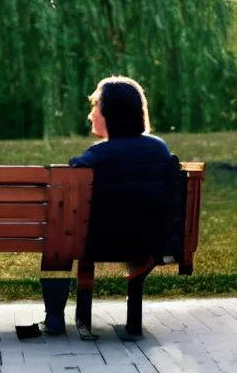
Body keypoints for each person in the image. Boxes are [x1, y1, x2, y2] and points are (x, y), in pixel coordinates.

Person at [40, 76, 174, 338]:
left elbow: (73, 169)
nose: (91, 115)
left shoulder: (97, 155)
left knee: (59, 243)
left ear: (110, 113)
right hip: (151, 243)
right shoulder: (160, 149)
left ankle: (54, 317)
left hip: (96, 244)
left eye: (95, 108)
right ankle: (132, 320)